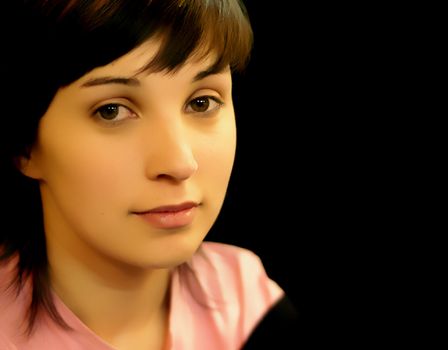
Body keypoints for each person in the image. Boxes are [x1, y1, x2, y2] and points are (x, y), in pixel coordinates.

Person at [0, 0, 298, 349]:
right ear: (24, 146)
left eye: (201, 103)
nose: (179, 163)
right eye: (111, 111)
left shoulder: (247, 301)